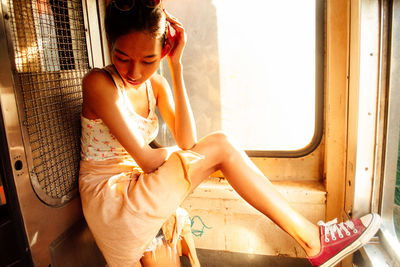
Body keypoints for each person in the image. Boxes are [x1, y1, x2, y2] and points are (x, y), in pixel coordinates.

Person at [78, 0, 382, 266]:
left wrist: (176, 66)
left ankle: (315, 242)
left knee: (215, 149)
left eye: (149, 60)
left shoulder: (155, 86)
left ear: (164, 50)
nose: (134, 72)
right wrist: (190, 155)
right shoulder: (98, 83)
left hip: (140, 188)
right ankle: (315, 242)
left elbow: (187, 141)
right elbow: (147, 159)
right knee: (220, 145)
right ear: (110, 46)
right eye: (122, 58)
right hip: (111, 197)